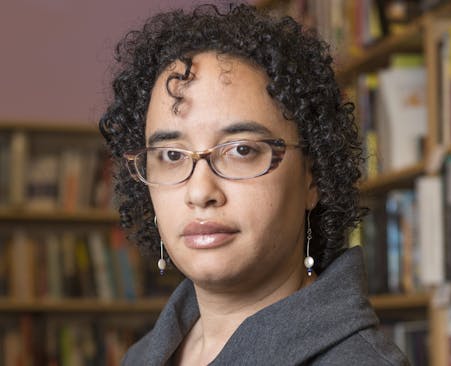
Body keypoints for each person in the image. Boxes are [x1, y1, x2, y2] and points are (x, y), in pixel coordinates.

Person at [99, 3, 409, 365]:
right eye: (171, 155)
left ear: (313, 175)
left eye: (241, 149)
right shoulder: (138, 357)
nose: (200, 192)